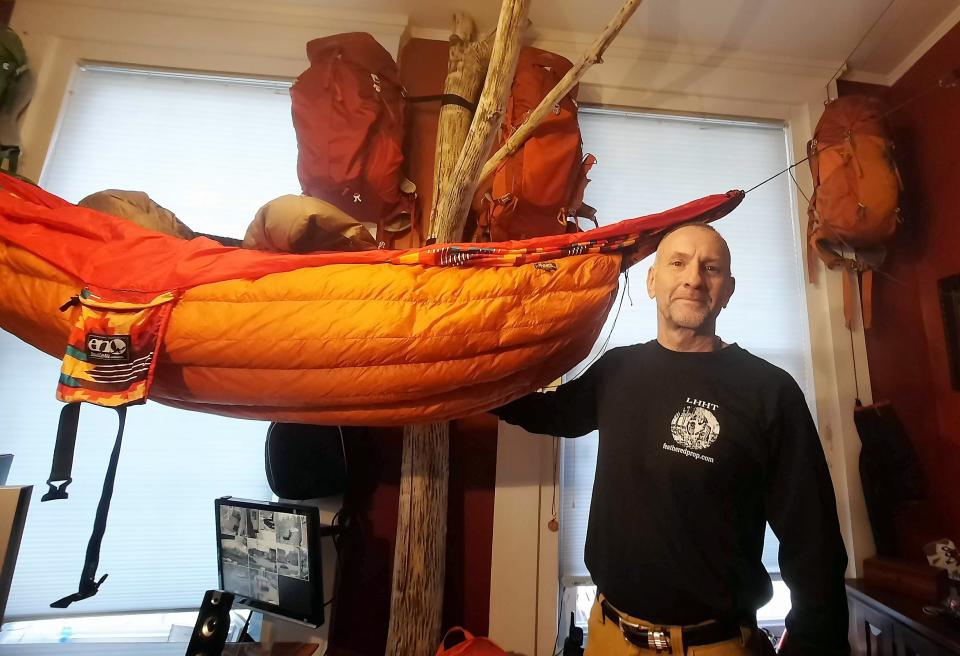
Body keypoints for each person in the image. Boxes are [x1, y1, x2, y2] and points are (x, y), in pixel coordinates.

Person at [494, 223, 849, 655]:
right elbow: (547, 412)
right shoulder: (618, 370)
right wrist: (464, 383)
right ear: (650, 280)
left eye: (711, 268)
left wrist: (814, 642)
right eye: (678, 263)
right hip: (609, 638)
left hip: (715, 645)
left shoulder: (769, 391)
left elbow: (814, 541)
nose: (693, 279)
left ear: (729, 289)